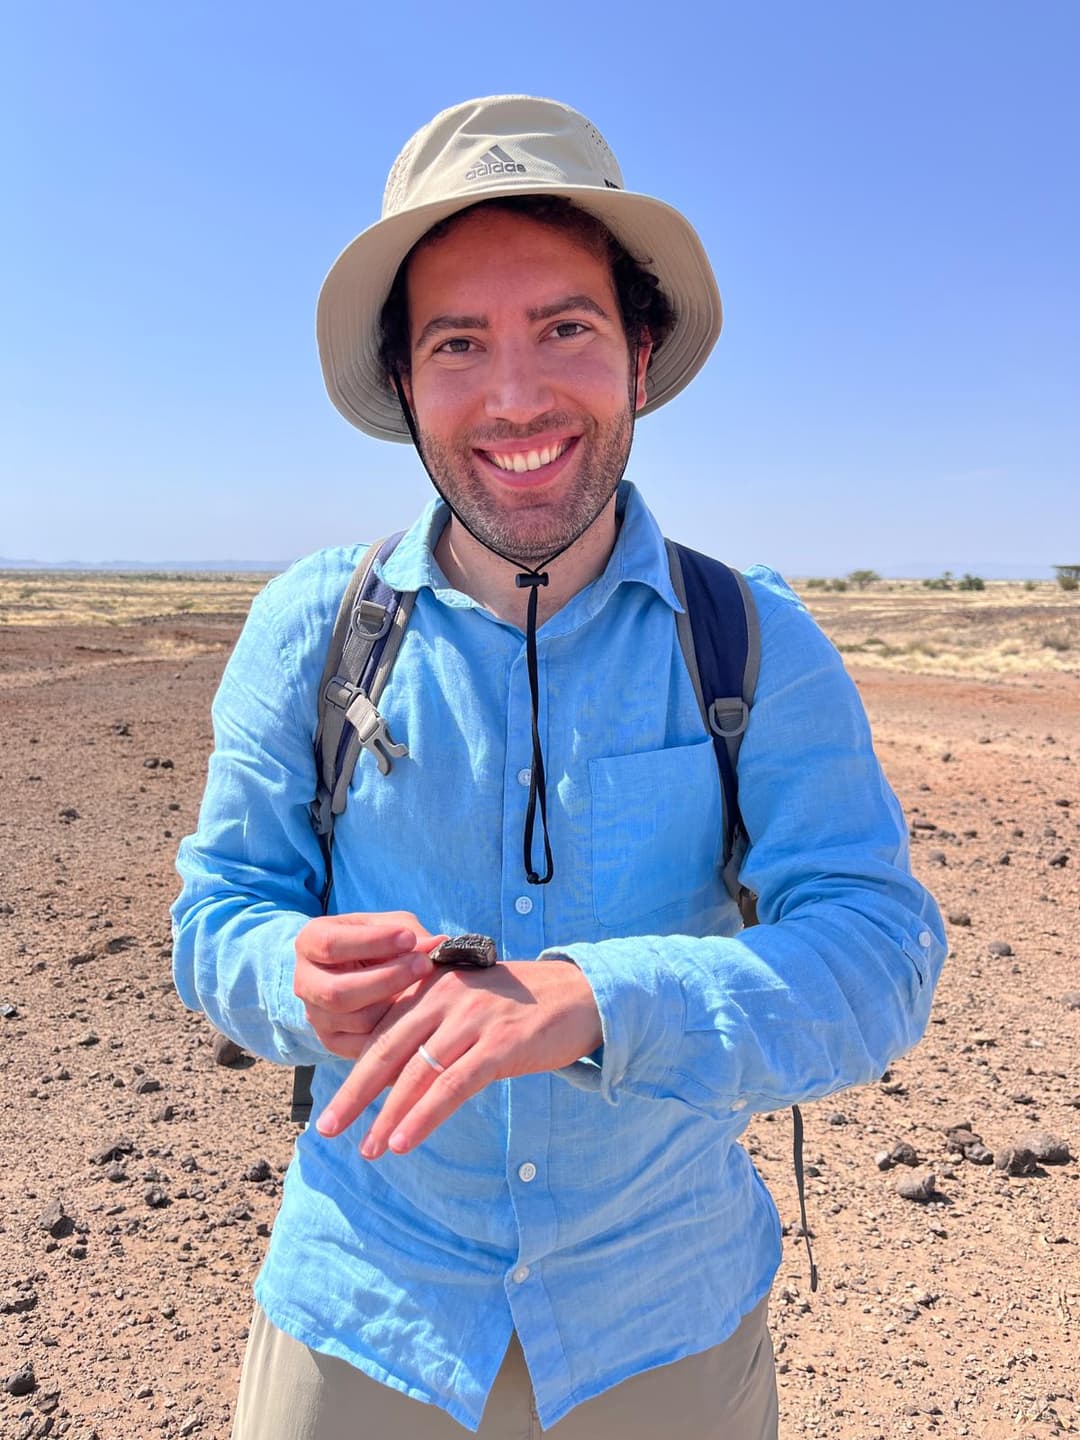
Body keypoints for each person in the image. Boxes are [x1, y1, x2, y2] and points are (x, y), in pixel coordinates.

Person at [172, 95, 946, 1439]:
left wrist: (596, 997)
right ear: (404, 381)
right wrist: (286, 975)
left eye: (566, 329)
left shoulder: (752, 639)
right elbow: (217, 918)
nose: (516, 396)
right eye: (458, 343)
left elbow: (878, 953)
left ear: (639, 356)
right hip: (369, 1311)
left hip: (665, 1314)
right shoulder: (313, 630)